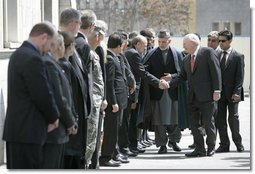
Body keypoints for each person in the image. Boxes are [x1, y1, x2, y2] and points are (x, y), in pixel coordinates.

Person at [2, 21, 60, 169]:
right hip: (28, 131)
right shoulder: (32, 58)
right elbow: (42, 93)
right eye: (51, 44)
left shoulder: (18, 54)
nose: (49, 50)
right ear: (44, 37)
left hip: (18, 130)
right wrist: (53, 117)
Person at [170, 33, 221, 157]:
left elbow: (216, 71)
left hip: (208, 96)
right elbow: (182, 77)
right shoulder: (186, 59)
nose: (183, 46)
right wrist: (168, 84)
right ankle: (199, 149)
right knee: (194, 125)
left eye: (185, 44)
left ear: (193, 42)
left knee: (208, 122)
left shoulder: (208, 52)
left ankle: (211, 147)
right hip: (192, 97)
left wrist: (217, 90)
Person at [124, 35, 169, 154]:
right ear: (137, 43)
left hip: (133, 91)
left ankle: (133, 144)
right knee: (132, 121)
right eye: (144, 44)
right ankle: (131, 146)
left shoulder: (130, 52)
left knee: (133, 120)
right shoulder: (133, 54)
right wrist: (158, 82)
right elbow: (142, 73)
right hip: (133, 92)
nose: (146, 47)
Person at [42, 33, 78, 169]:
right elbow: (59, 98)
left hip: (60, 129)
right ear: (58, 47)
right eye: (63, 44)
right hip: (56, 130)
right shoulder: (50, 64)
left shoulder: (55, 64)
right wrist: (70, 122)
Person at [59, 8, 88, 169]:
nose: (79, 27)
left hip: (77, 117)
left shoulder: (73, 43)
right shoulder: (60, 44)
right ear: (73, 24)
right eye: (79, 24)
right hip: (69, 122)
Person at [145, 29, 182, 154]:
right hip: (157, 91)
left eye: (164, 42)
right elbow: (145, 72)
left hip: (173, 91)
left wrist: (171, 77)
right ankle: (162, 145)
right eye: (159, 41)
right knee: (159, 119)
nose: (161, 44)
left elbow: (183, 73)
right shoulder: (151, 54)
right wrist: (157, 82)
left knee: (174, 118)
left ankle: (174, 141)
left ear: (169, 41)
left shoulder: (177, 54)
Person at [99, 33, 128, 167]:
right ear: (119, 46)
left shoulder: (115, 57)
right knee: (111, 130)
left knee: (115, 129)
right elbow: (109, 82)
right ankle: (106, 157)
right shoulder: (110, 59)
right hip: (114, 102)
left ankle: (112, 153)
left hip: (119, 100)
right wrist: (114, 101)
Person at [215, 30, 245, 153]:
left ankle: (238, 143)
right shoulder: (216, 55)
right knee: (220, 120)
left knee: (233, 120)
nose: (220, 43)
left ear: (230, 41)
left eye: (223, 41)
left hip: (233, 94)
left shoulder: (238, 56)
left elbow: (240, 77)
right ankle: (224, 144)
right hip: (219, 94)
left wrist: (237, 92)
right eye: (219, 41)